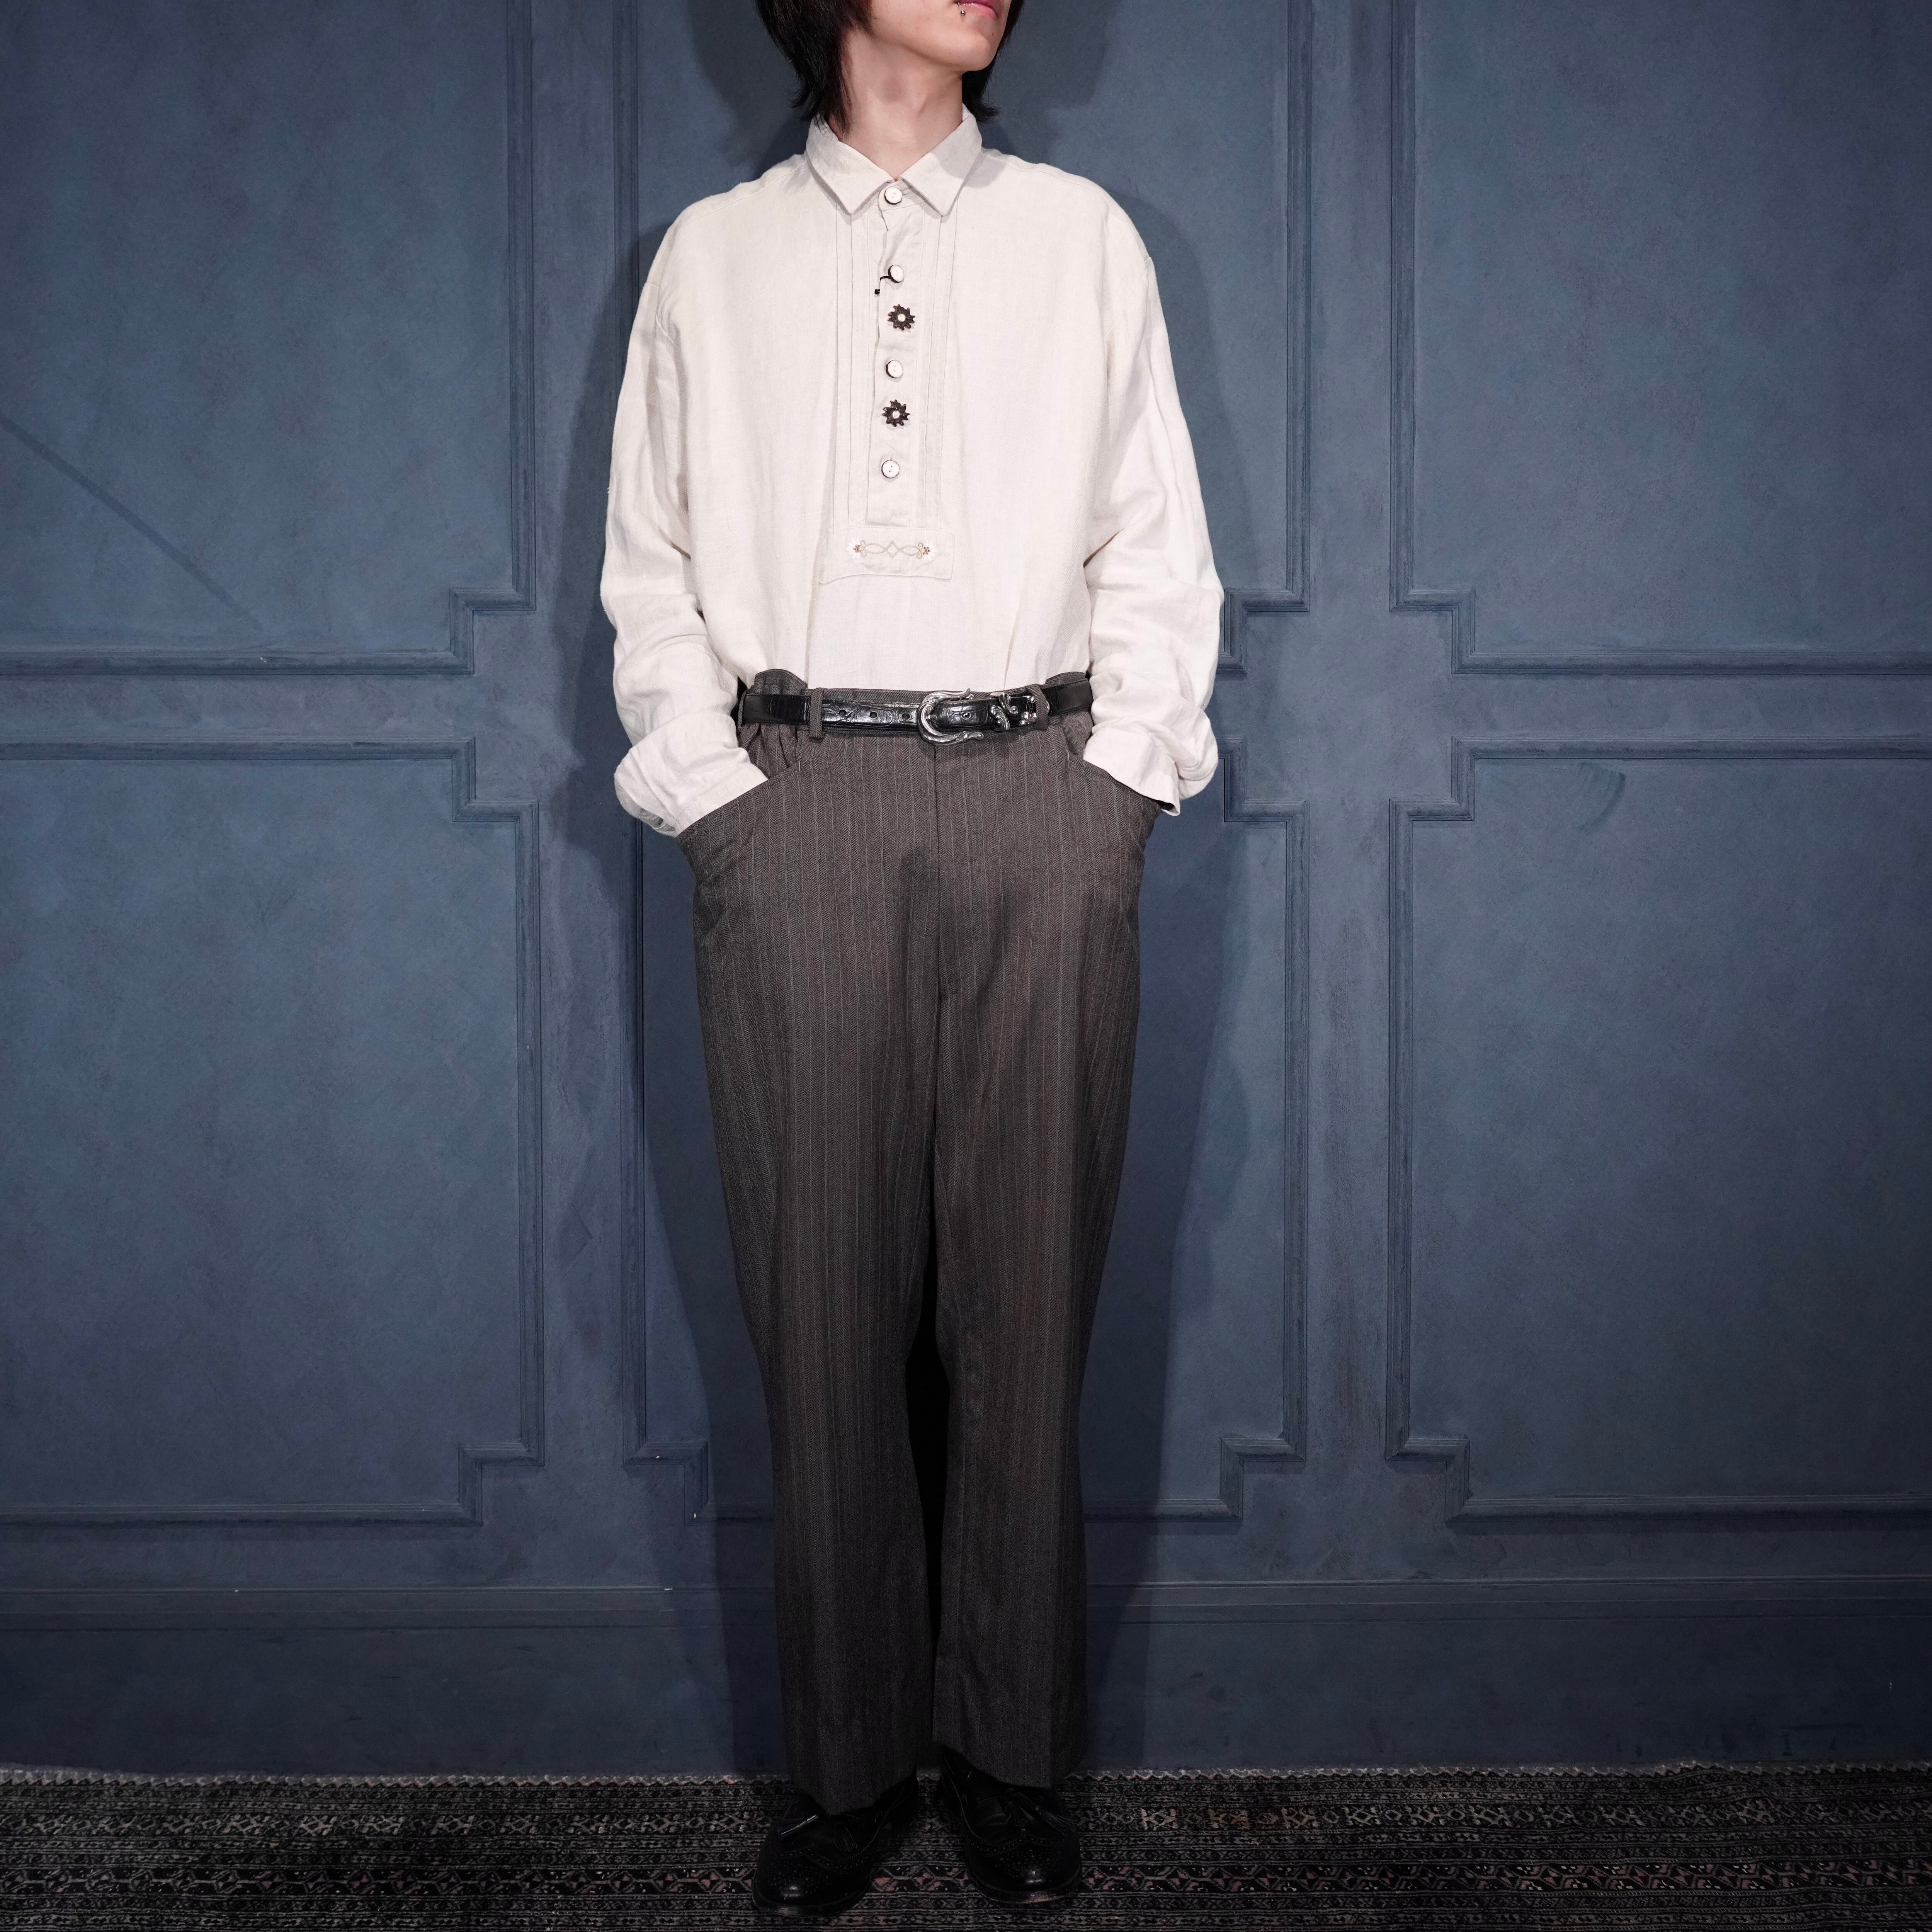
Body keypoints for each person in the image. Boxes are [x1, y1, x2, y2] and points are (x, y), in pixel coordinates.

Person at [602, 0, 1221, 1912]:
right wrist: (717, 794)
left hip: (1042, 790)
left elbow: (1153, 542)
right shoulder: (710, 259)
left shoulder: (1080, 239)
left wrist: (1116, 787)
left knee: (1026, 1294)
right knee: (823, 1303)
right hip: (795, 797)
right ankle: (849, 1764)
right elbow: (650, 562)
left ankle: (1012, 1751)